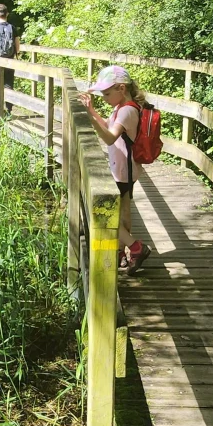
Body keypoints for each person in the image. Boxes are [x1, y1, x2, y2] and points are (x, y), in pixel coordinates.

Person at [79, 65, 152, 274]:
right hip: (124, 169)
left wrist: (90, 118)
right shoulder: (121, 107)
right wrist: (92, 111)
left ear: (121, 88)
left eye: (107, 93)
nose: (104, 97)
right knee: (121, 213)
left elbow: (110, 138)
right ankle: (121, 253)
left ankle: (136, 247)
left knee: (104, 214)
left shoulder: (127, 110)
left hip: (123, 171)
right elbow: (110, 129)